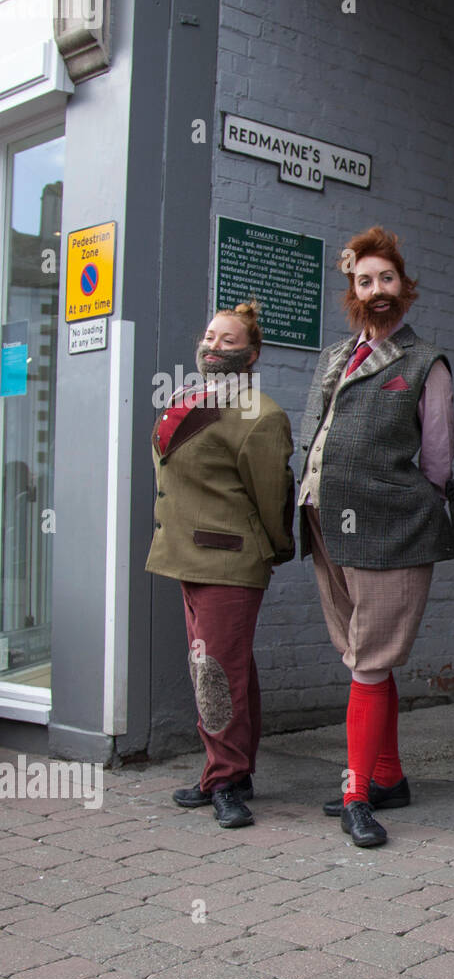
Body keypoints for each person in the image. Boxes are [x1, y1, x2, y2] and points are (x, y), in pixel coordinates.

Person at [299, 227, 454, 848]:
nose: (376, 290)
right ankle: (387, 775)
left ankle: (356, 793)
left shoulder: (426, 363)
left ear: (404, 285)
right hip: (323, 520)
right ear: (353, 291)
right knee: (364, 658)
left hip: (390, 528)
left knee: (368, 662)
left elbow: (440, 462)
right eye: (364, 282)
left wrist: (402, 505)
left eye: (386, 279)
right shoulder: (335, 356)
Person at [150, 300, 294, 829]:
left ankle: (226, 780)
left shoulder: (262, 415)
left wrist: (274, 549)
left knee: (215, 671)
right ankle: (236, 768)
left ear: (251, 354)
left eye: (228, 341)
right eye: (210, 337)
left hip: (230, 560)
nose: (213, 346)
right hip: (188, 555)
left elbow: (272, 496)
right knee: (230, 668)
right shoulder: (185, 400)